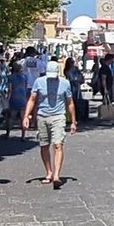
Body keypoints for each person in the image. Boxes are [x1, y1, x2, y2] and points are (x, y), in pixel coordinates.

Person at [24, 57, 76, 187]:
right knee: (44, 145)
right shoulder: (39, 82)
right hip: (42, 115)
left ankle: (57, 175)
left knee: (58, 144)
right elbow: (32, 99)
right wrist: (26, 115)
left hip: (58, 116)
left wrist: (74, 121)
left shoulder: (65, 83)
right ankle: (49, 172)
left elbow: (70, 102)